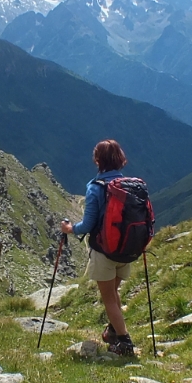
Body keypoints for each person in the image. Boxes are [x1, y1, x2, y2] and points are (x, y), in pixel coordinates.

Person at [61, 139, 136, 357]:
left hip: (105, 252)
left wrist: (69, 228)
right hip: (127, 250)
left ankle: (124, 342)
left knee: (109, 298)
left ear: (97, 160)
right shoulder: (130, 185)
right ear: (120, 159)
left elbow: (88, 225)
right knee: (114, 291)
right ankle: (113, 331)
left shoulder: (95, 188)